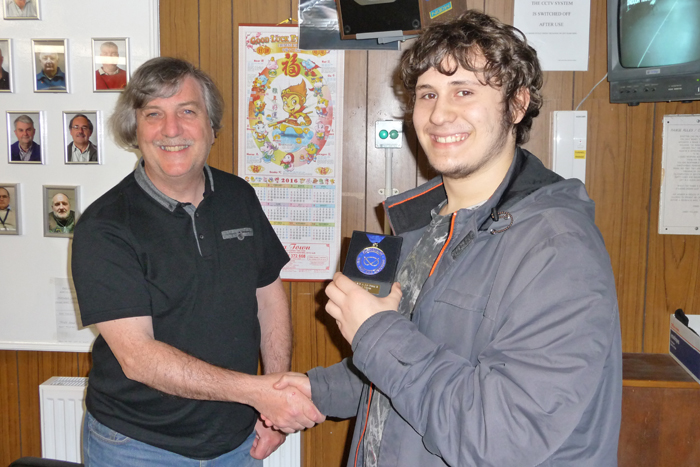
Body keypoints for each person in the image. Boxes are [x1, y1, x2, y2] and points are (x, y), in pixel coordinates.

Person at [274, 10, 622, 467]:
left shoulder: (557, 248)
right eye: (427, 94)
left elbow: (500, 436)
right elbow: (414, 365)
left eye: (464, 91)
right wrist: (318, 391)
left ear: (517, 105)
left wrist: (374, 330)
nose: (439, 113)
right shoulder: (430, 225)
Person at [71, 57, 324, 466]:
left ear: (212, 126)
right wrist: (257, 392)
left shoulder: (239, 196)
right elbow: (139, 358)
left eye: (187, 111)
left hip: (237, 444)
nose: (171, 130)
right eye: (154, 114)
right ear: (136, 130)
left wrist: (271, 405)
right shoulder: (105, 226)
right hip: (137, 447)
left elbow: (268, 298)